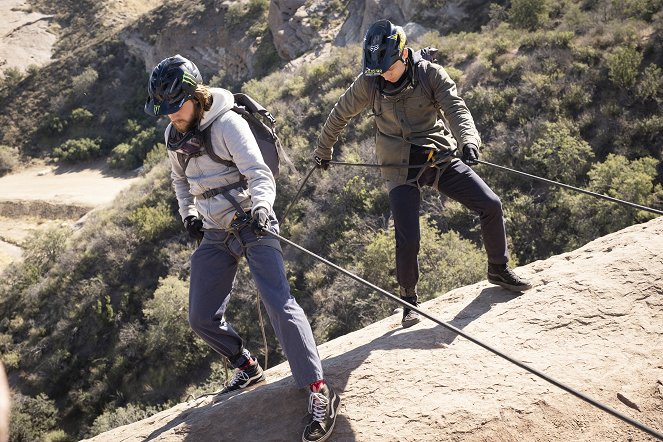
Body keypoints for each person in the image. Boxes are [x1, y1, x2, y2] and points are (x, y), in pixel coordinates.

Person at [145, 55, 340, 442]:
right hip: (215, 231)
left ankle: (319, 391)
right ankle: (246, 364)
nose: (170, 116)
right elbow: (179, 181)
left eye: (175, 106)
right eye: (164, 110)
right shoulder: (174, 136)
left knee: (279, 303)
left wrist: (263, 209)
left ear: (195, 96)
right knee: (200, 316)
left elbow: (259, 174)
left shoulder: (228, 124)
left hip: (253, 222)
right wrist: (189, 216)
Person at [313, 20, 532, 328]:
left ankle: (498, 268)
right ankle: (408, 301)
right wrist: (324, 150)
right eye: (379, 70)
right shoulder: (370, 81)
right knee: (408, 237)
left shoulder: (430, 75)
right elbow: (339, 114)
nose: (385, 75)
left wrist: (468, 141)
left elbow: (456, 109)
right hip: (398, 166)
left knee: (490, 204)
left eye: (389, 68)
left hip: (436, 156)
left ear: (404, 55)